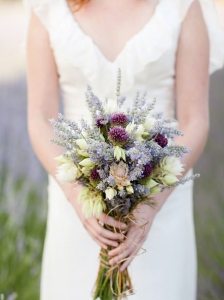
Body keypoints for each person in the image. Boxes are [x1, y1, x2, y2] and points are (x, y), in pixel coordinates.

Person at [23, 0, 224, 299]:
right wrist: (76, 194)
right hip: (78, 205)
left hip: (162, 202)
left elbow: (195, 122)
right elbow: (39, 119)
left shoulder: (183, 6)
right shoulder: (48, 7)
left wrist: (150, 202)